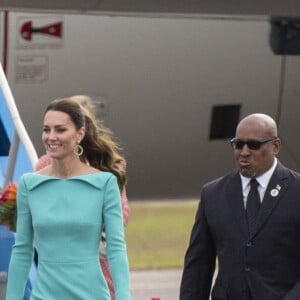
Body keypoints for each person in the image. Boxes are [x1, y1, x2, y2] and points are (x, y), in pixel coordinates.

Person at [6, 97, 131, 300]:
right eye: (46, 129)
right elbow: (22, 250)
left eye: (60, 129)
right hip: (44, 295)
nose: (51, 136)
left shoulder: (105, 183)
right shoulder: (29, 184)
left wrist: (125, 297)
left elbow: (116, 248)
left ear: (80, 134)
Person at [180, 113, 300, 300]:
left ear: (275, 146)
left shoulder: (296, 190)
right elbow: (198, 267)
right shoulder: (212, 194)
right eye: (238, 144)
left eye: (253, 145)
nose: (244, 152)